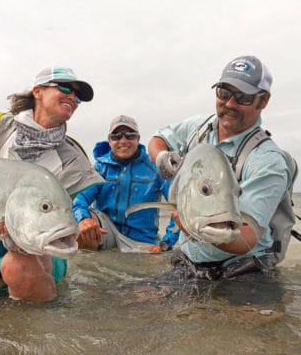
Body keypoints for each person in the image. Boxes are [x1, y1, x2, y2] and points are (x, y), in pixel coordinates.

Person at [0, 66, 104, 303]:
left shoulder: (75, 161)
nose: (73, 97)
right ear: (37, 91)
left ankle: (35, 332)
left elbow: (63, 213)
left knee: (19, 266)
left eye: (78, 96)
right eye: (65, 88)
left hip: (38, 251)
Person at [148, 55, 292, 279]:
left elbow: (247, 237)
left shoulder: (269, 161)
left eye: (243, 97)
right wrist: (162, 158)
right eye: (223, 93)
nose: (230, 104)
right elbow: (158, 138)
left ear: (263, 101)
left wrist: (192, 227)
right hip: (190, 260)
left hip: (243, 269)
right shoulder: (199, 126)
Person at [72, 115, 179, 253]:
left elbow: (179, 206)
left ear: (138, 139)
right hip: (107, 233)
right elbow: (79, 202)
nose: (123, 141)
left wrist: (166, 244)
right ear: (109, 141)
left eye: (130, 135)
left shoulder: (155, 167)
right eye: (116, 136)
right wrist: (83, 219)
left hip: (143, 240)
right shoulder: (99, 168)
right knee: (81, 226)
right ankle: (90, 272)